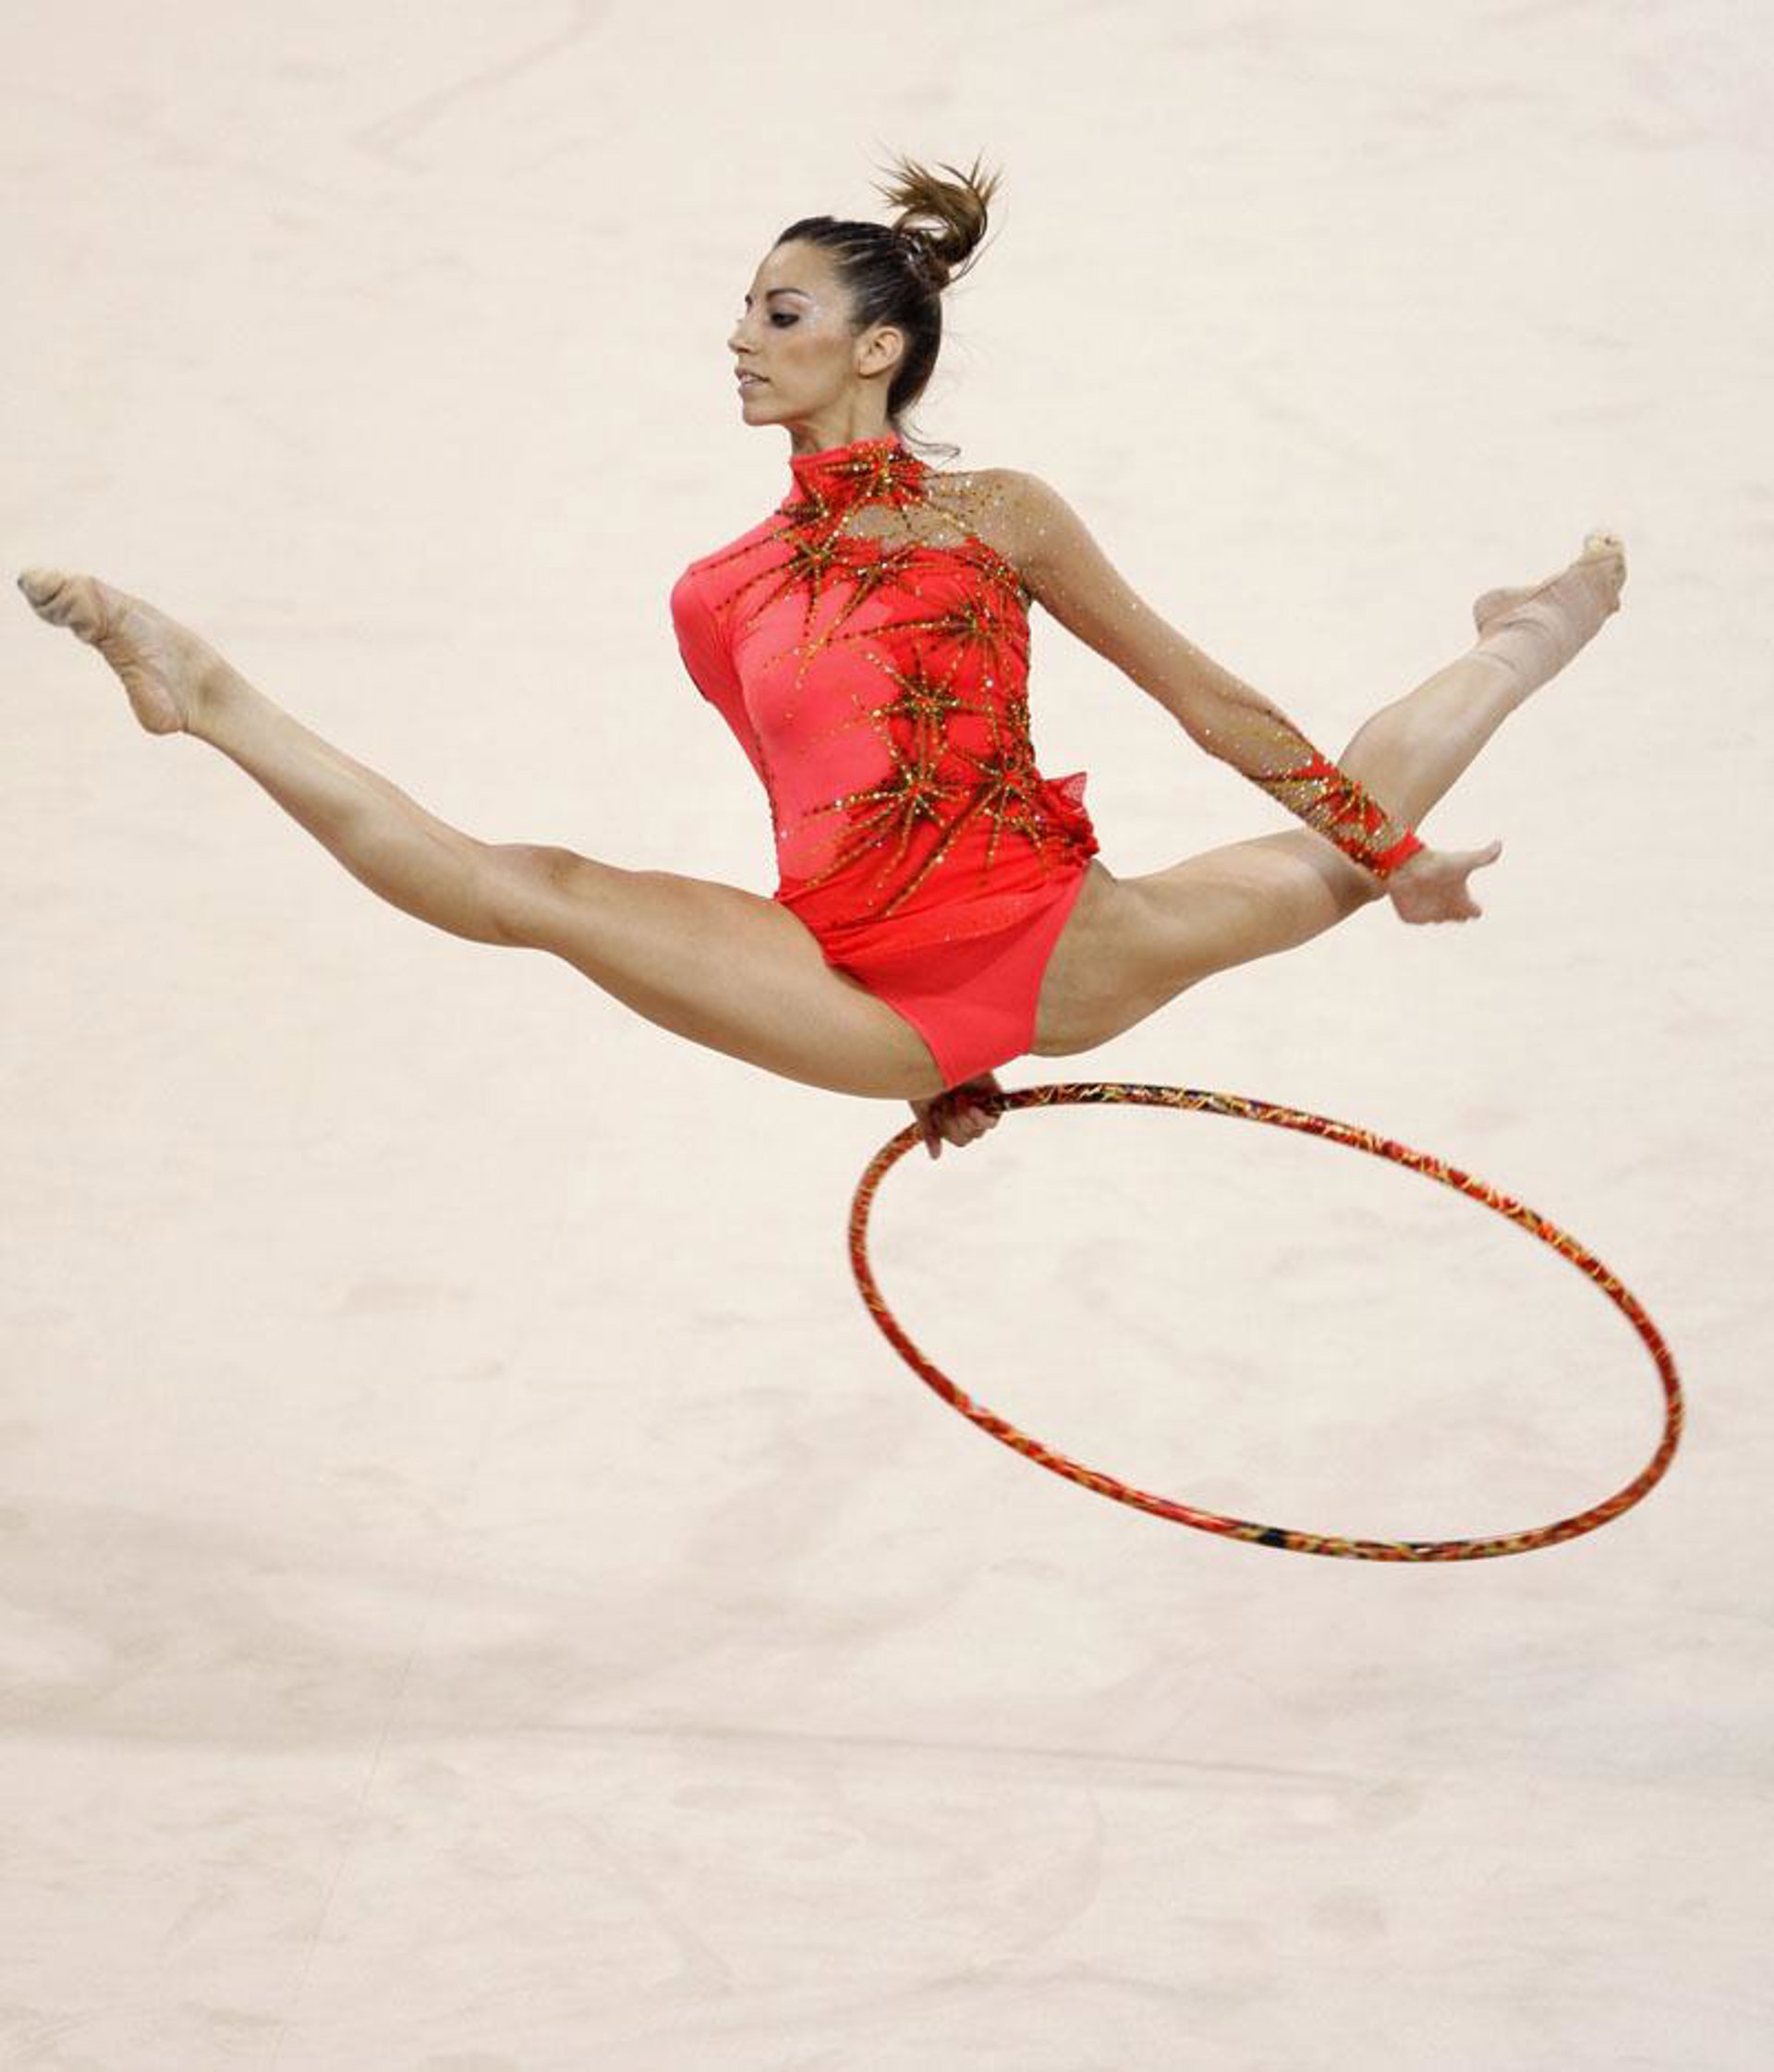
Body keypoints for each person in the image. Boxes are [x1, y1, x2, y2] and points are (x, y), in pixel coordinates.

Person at [18, 152, 1624, 1166]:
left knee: (1331, 865)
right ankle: (203, 689)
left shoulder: (995, 517)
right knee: (538, 889)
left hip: (1048, 945)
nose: (739, 336)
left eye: (777, 313)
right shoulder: (715, 593)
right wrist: (925, 1059)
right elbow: (803, 803)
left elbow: (1205, 701)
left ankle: (1529, 630)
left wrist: (1395, 857)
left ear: (877, 346)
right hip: (851, 981)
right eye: (742, 309)